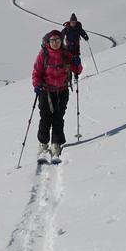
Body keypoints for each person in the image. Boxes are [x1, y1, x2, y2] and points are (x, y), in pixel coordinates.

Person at [32, 30, 82, 161]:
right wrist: (36, 85)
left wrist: (77, 63)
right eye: (53, 41)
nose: (55, 43)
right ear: (48, 42)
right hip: (46, 91)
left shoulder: (66, 55)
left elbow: (77, 71)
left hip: (62, 91)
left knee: (58, 118)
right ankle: (43, 144)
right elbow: (36, 72)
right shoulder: (43, 55)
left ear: (61, 41)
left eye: (58, 40)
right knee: (45, 118)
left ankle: (56, 144)